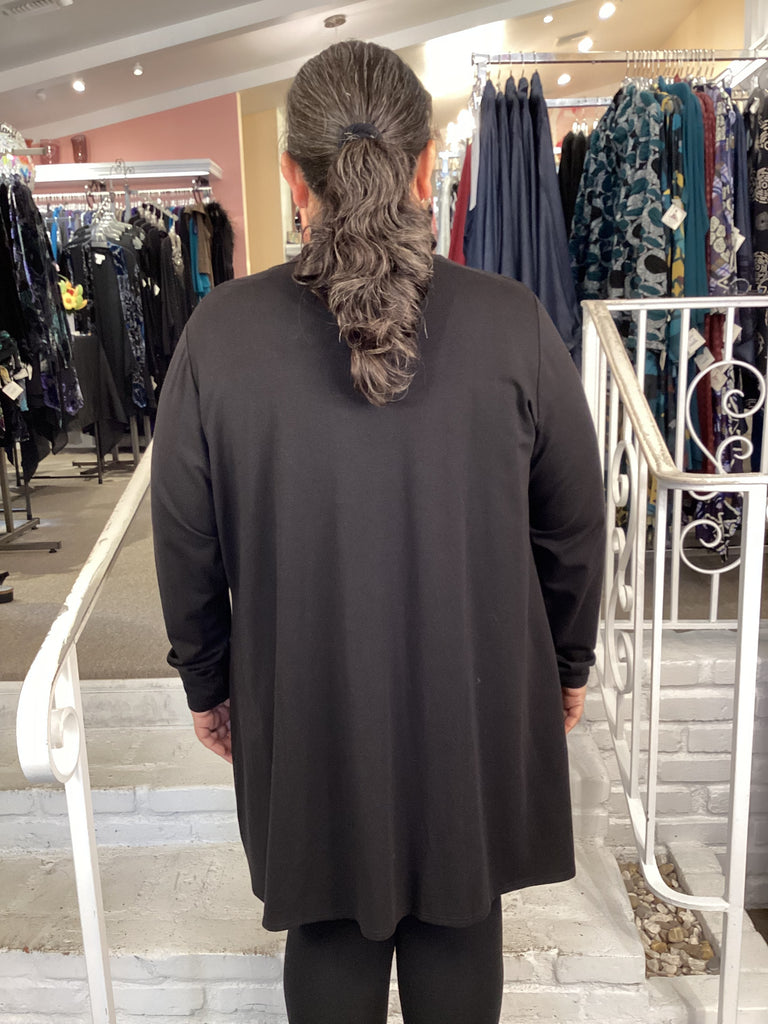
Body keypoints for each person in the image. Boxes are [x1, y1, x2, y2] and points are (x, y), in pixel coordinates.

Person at [151, 39, 605, 1024]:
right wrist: (566, 663)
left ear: (292, 176)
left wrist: (208, 680)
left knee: (326, 924)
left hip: (306, 703)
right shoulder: (514, 322)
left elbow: (185, 536)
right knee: (460, 920)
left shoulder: (219, 335)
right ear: (425, 164)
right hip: (470, 703)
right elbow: (573, 523)